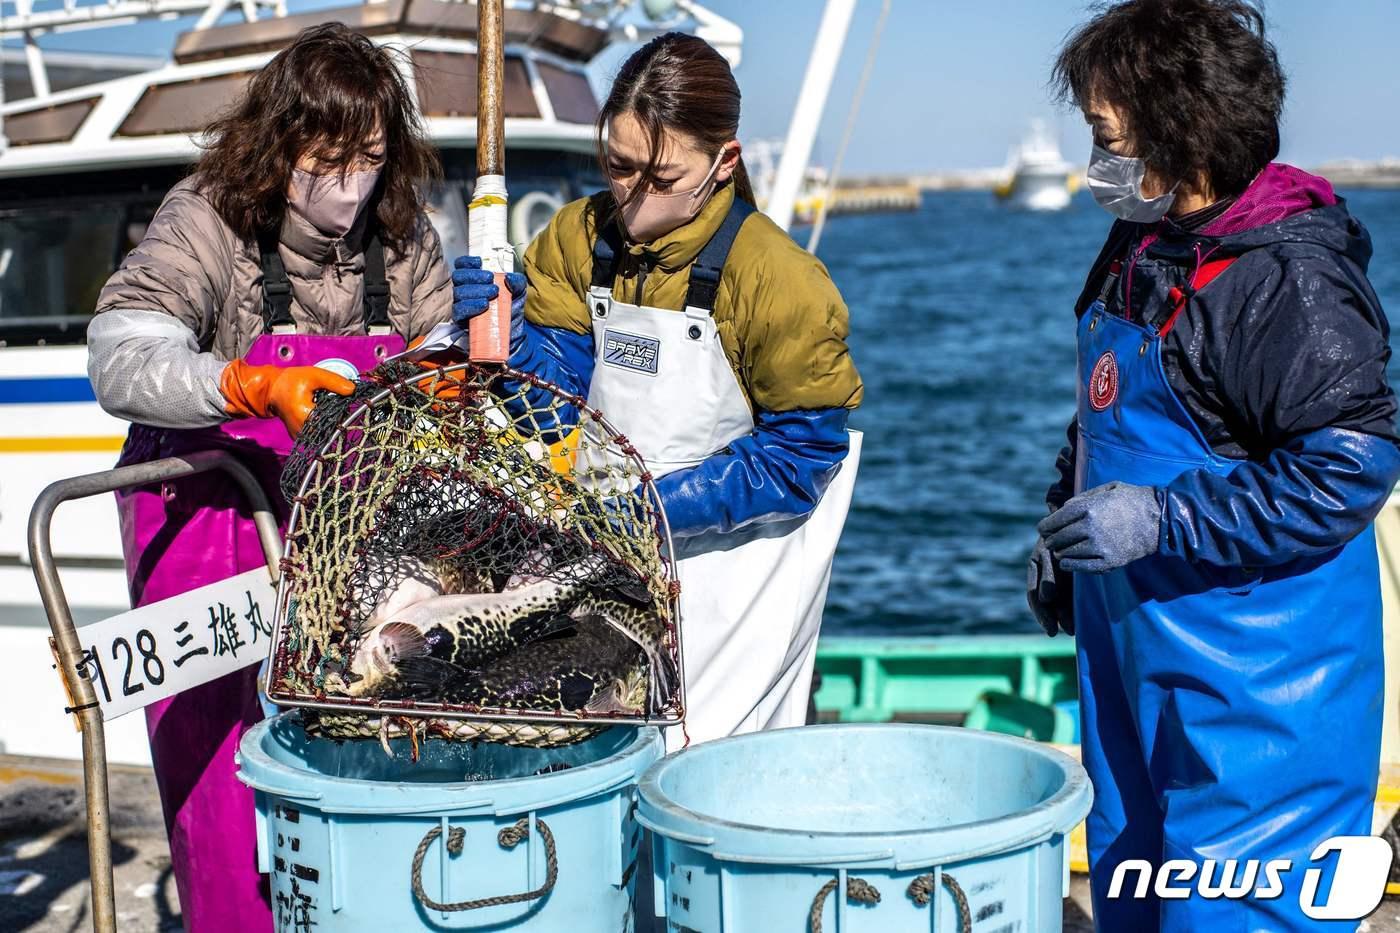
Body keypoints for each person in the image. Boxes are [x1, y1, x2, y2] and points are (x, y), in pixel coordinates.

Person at [1027, 1, 1400, 929]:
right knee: (1131, 883)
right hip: (1136, 652)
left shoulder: (1288, 283)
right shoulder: (1142, 245)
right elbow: (1106, 407)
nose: (1097, 160)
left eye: (1107, 135)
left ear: (1178, 134)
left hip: (1260, 682)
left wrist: (1161, 520)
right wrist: (1062, 529)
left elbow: (1351, 464)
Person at [87, 24, 449, 930]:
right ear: (280, 145)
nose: (350, 184)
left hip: (354, 533)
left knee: (370, 763)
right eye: (327, 159)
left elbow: (442, 349)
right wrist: (244, 382)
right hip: (206, 525)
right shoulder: (206, 216)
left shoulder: (404, 236)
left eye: (368, 157)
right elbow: (119, 352)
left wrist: (450, 371)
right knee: (223, 789)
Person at [451, 33, 862, 748]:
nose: (634, 195)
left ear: (724, 162)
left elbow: (801, 456)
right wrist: (510, 346)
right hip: (598, 563)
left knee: (704, 780)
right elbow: (555, 413)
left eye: (662, 176)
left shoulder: (780, 280)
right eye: (618, 166)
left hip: (730, 594)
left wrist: (653, 507)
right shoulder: (578, 239)